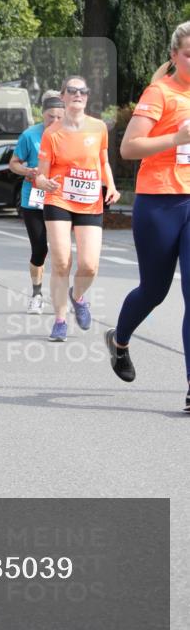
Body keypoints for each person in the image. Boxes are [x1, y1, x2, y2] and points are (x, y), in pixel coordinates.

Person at [106, 22, 190, 413]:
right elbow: (129, 148)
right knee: (154, 291)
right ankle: (120, 340)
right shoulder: (160, 93)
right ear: (173, 55)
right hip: (159, 202)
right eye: (189, 54)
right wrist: (176, 138)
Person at [35, 76, 120, 342]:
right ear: (63, 96)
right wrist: (43, 182)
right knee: (61, 262)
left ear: (87, 96)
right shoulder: (52, 133)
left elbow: (103, 162)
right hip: (58, 198)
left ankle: (78, 296)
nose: (77, 94)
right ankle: (60, 320)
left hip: (90, 200)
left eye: (83, 91)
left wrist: (112, 186)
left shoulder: (98, 128)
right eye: (72, 90)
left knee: (89, 265)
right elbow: (40, 175)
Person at [9, 91, 66, 313]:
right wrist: (28, 171)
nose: (55, 121)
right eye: (51, 116)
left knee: (62, 252)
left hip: (61, 199)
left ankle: (61, 296)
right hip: (33, 200)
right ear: (43, 115)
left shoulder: (71, 135)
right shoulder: (30, 135)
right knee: (40, 248)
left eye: (60, 116)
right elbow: (13, 163)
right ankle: (37, 294)